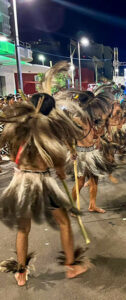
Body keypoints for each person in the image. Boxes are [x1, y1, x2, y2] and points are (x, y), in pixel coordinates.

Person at [0, 92, 88, 286]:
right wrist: (62, 170)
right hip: (42, 182)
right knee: (64, 223)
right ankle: (71, 266)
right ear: (51, 110)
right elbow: (57, 162)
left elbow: (13, 154)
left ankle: (21, 273)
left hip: (21, 181)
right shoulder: (49, 130)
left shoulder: (17, 129)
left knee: (23, 229)